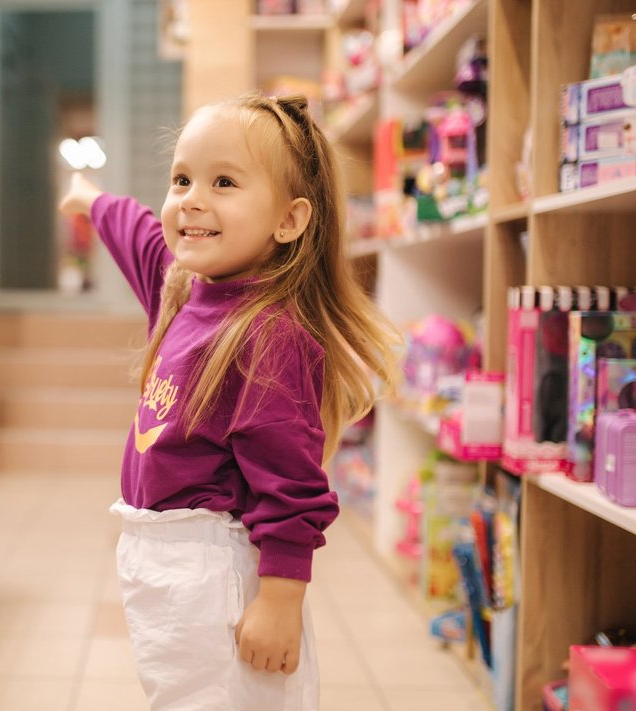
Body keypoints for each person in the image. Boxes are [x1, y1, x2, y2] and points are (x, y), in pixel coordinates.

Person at [58, 93, 400, 710]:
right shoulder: (187, 292)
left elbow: (292, 482)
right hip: (165, 573)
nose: (191, 197)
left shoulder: (268, 336)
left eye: (223, 182)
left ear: (290, 221)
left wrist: (280, 599)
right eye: (182, 178)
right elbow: (142, 237)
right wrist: (90, 200)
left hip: (217, 580)